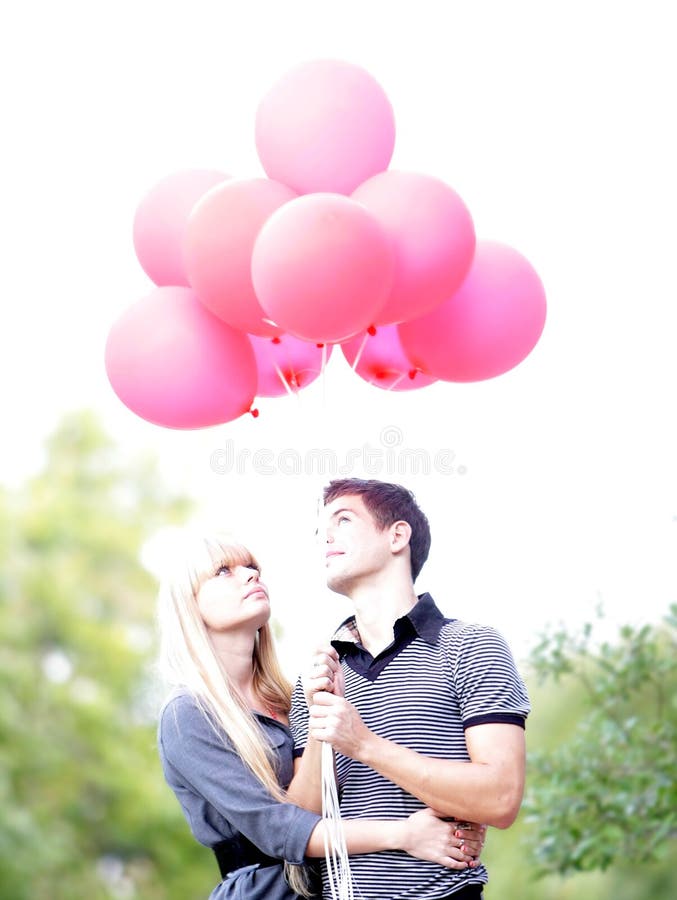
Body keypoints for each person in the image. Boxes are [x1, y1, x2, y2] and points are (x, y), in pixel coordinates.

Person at [155, 533, 486, 899]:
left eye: (252, 567)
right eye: (223, 571)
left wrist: (458, 818)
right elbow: (278, 829)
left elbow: (352, 787)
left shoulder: (290, 696)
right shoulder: (187, 715)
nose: (250, 576)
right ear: (189, 603)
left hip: (338, 884)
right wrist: (404, 833)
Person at [289, 479, 531, 900]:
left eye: (343, 520)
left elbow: (501, 797)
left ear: (397, 535)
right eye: (320, 530)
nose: (325, 536)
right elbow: (298, 827)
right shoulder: (316, 678)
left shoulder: (471, 646)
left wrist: (363, 744)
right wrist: (319, 724)